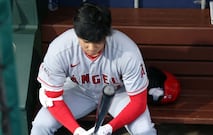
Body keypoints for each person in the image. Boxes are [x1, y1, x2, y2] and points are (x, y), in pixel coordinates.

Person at [30, 2, 157, 135]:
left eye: (97, 41)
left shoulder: (127, 51)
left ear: (107, 34)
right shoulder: (60, 49)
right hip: (78, 90)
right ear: (77, 34)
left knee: (145, 130)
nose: (91, 47)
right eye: (86, 42)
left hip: (117, 93)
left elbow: (138, 102)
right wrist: (77, 130)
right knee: (41, 125)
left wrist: (109, 128)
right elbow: (53, 97)